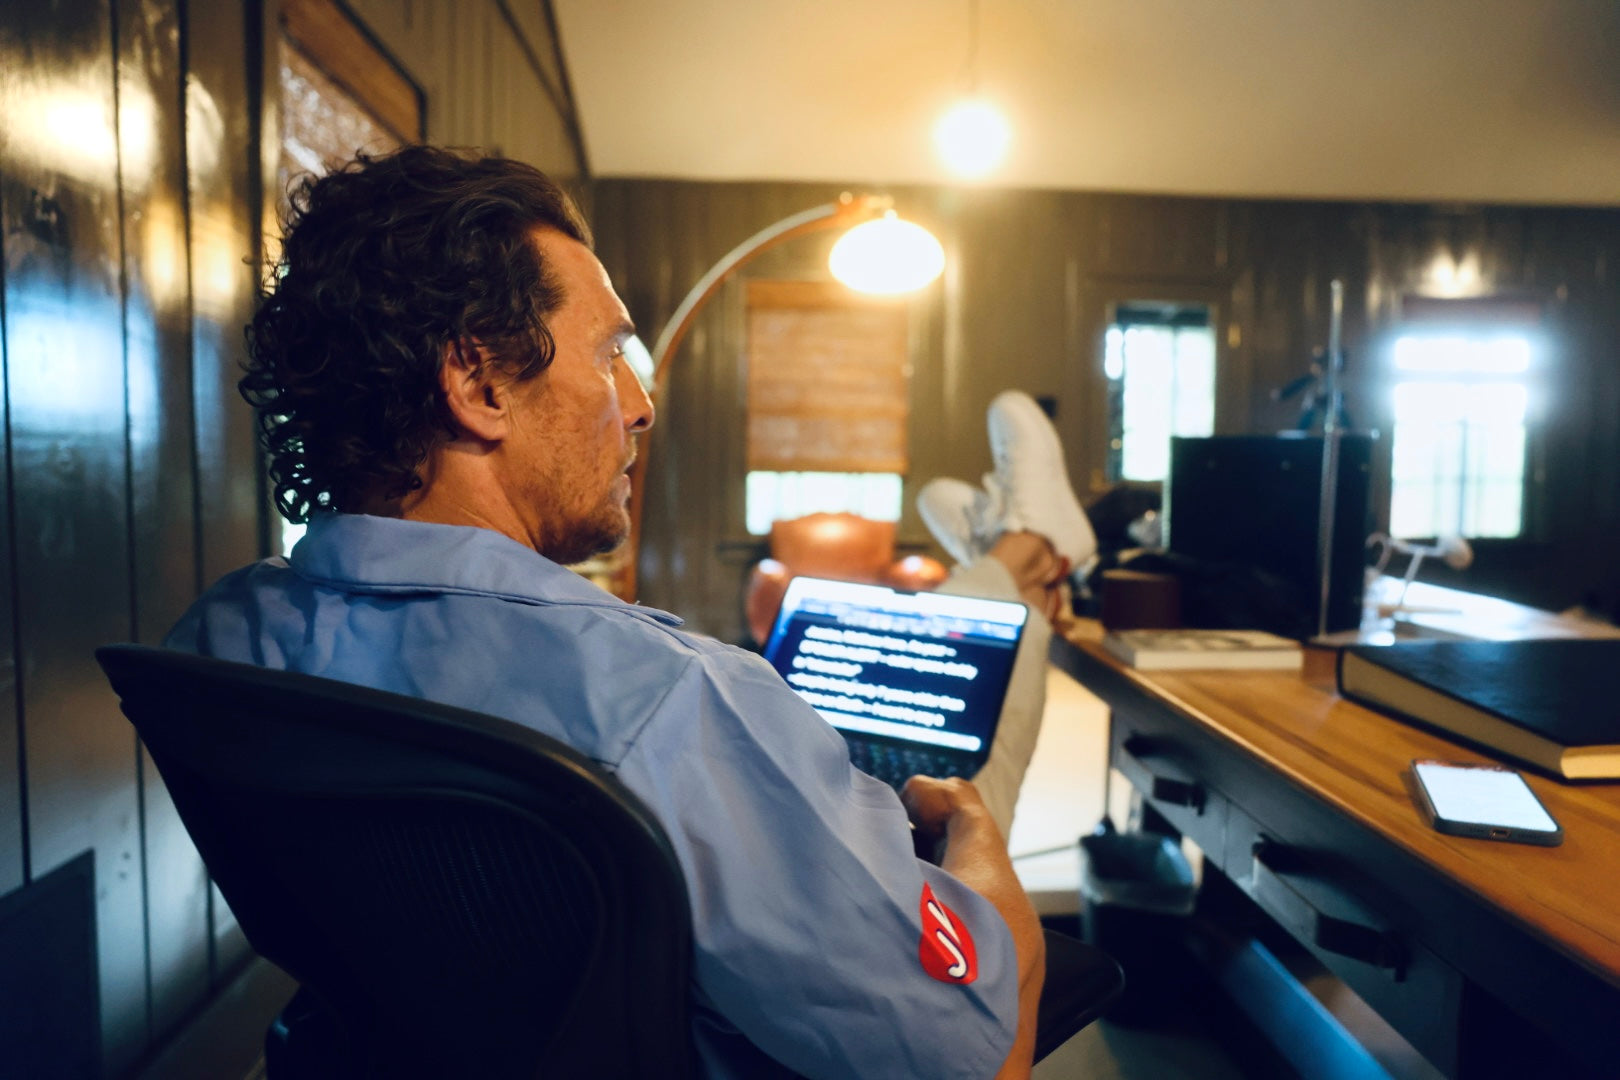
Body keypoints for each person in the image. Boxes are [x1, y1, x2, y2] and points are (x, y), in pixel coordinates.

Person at [165, 145, 1096, 1080]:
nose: (642, 404)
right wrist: (980, 855)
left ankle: (1010, 551)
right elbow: (967, 1062)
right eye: (612, 353)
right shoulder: (672, 702)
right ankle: (1021, 554)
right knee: (975, 751)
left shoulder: (221, 642)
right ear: (478, 382)